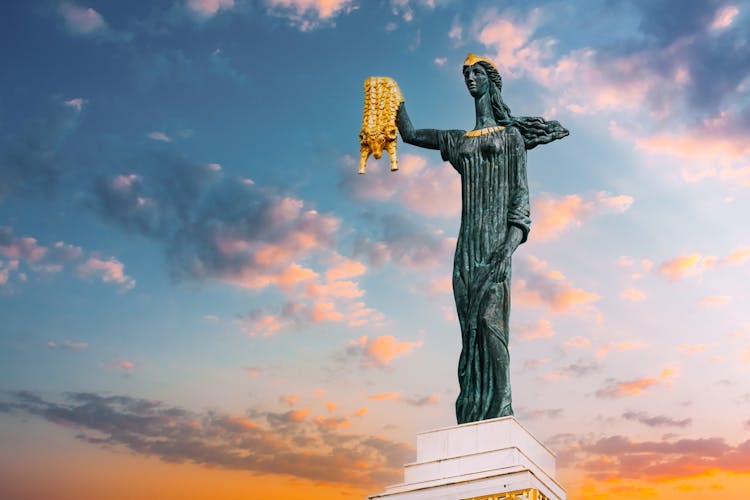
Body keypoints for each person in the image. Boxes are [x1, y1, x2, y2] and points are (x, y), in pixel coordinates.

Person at [396, 53, 568, 424]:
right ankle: (472, 411)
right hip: (467, 247)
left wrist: (507, 248)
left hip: (495, 245)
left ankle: (502, 407)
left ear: (491, 81)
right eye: (465, 75)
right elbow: (410, 134)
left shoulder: (511, 138)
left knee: (492, 325)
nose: (469, 79)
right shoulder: (459, 141)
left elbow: (520, 200)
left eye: (476, 73)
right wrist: (391, 96)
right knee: (469, 332)